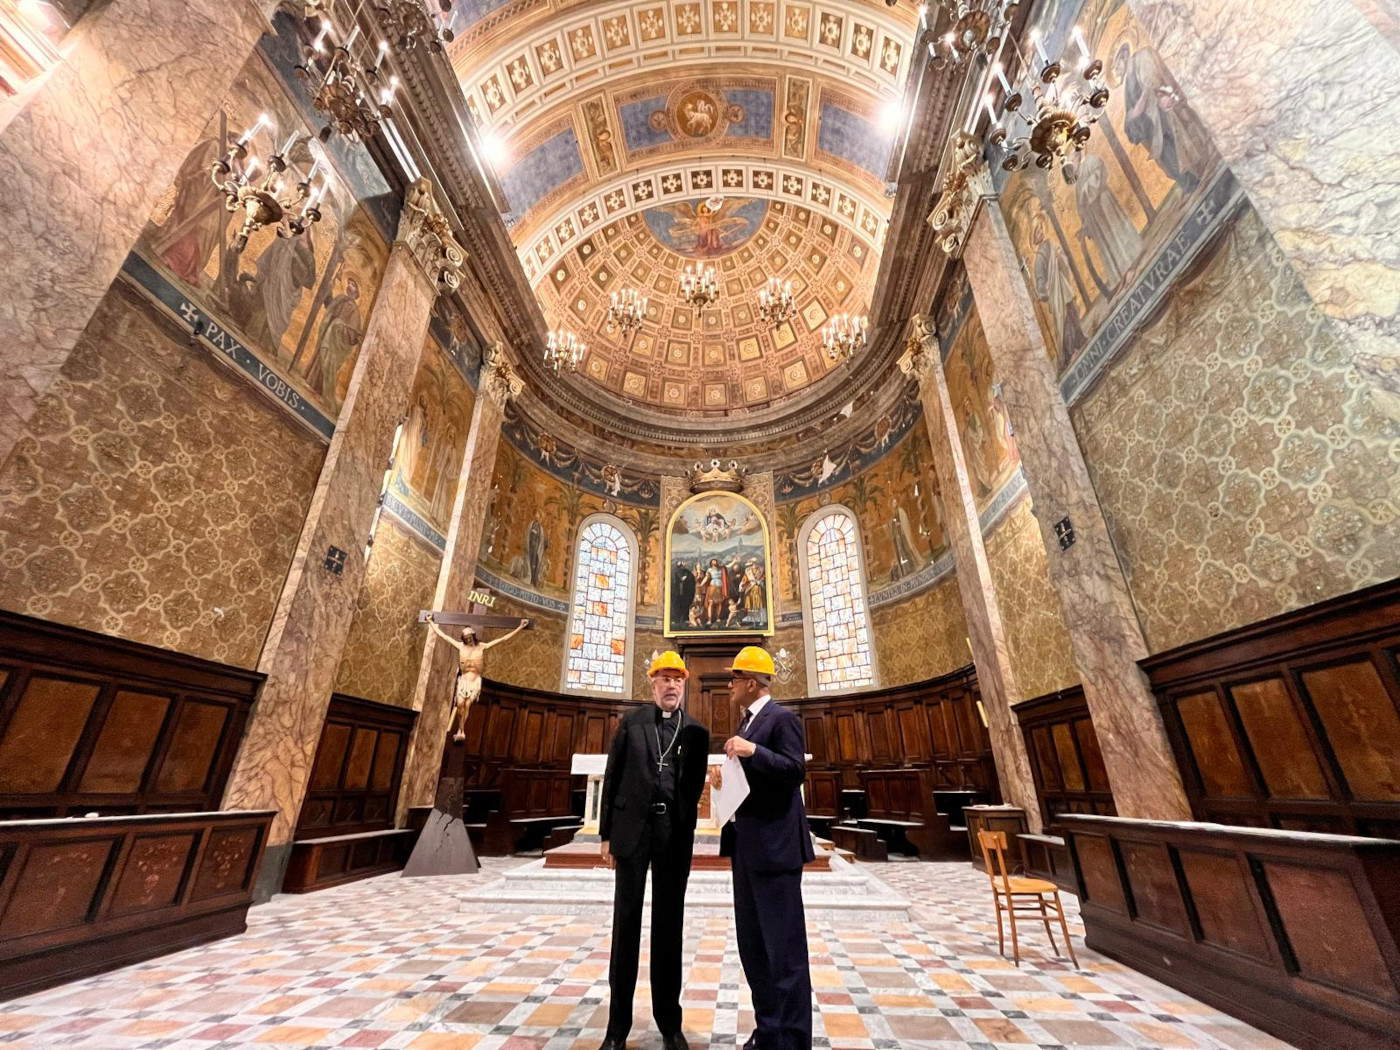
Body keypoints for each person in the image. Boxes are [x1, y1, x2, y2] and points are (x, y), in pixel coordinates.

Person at [598, 651, 710, 1050]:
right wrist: (606, 835)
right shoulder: (633, 722)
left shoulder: (696, 731)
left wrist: (687, 833)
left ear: (684, 686)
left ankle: (670, 1025)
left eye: (677, 679)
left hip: (673, 837)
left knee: (669, 928)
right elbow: (612, 776)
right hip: (631, 833)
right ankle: (616, 1029)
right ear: (652, 684)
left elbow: (694, 789)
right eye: (664, 678)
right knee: (625, 926)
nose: (671, 685)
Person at [717, 646, 814, 1050]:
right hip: (749, 850)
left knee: (785, 953)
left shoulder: (781, 718)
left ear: (751, 683)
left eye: (734, 679)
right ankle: (769, 1031)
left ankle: (791, 1041)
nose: (729, 686)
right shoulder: (748, 721)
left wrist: (752, 750)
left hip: (776, 852)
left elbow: (795, 770)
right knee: (755, 949)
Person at [424, 615, 529, 741]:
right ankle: (460, 729)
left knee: (467, 705)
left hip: (475, 680)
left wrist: (520, 627)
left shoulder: (482, 646)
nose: (468, 640)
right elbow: (443, 636)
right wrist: (430, 621)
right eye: (465, 638)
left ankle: (461, 730)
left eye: (469, 637)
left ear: (473, 636)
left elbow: (503, 639)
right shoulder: (460, 646)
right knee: (460, 704)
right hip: (464, 680)